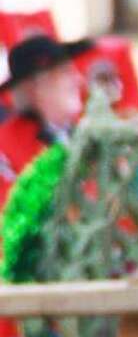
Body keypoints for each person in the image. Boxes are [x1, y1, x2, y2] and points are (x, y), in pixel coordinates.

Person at [0, 34, 92, 207]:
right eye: (66, 72)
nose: (79, 80)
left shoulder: (86, 132)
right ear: (36, 87)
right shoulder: (4, 146)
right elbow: (11, 217)